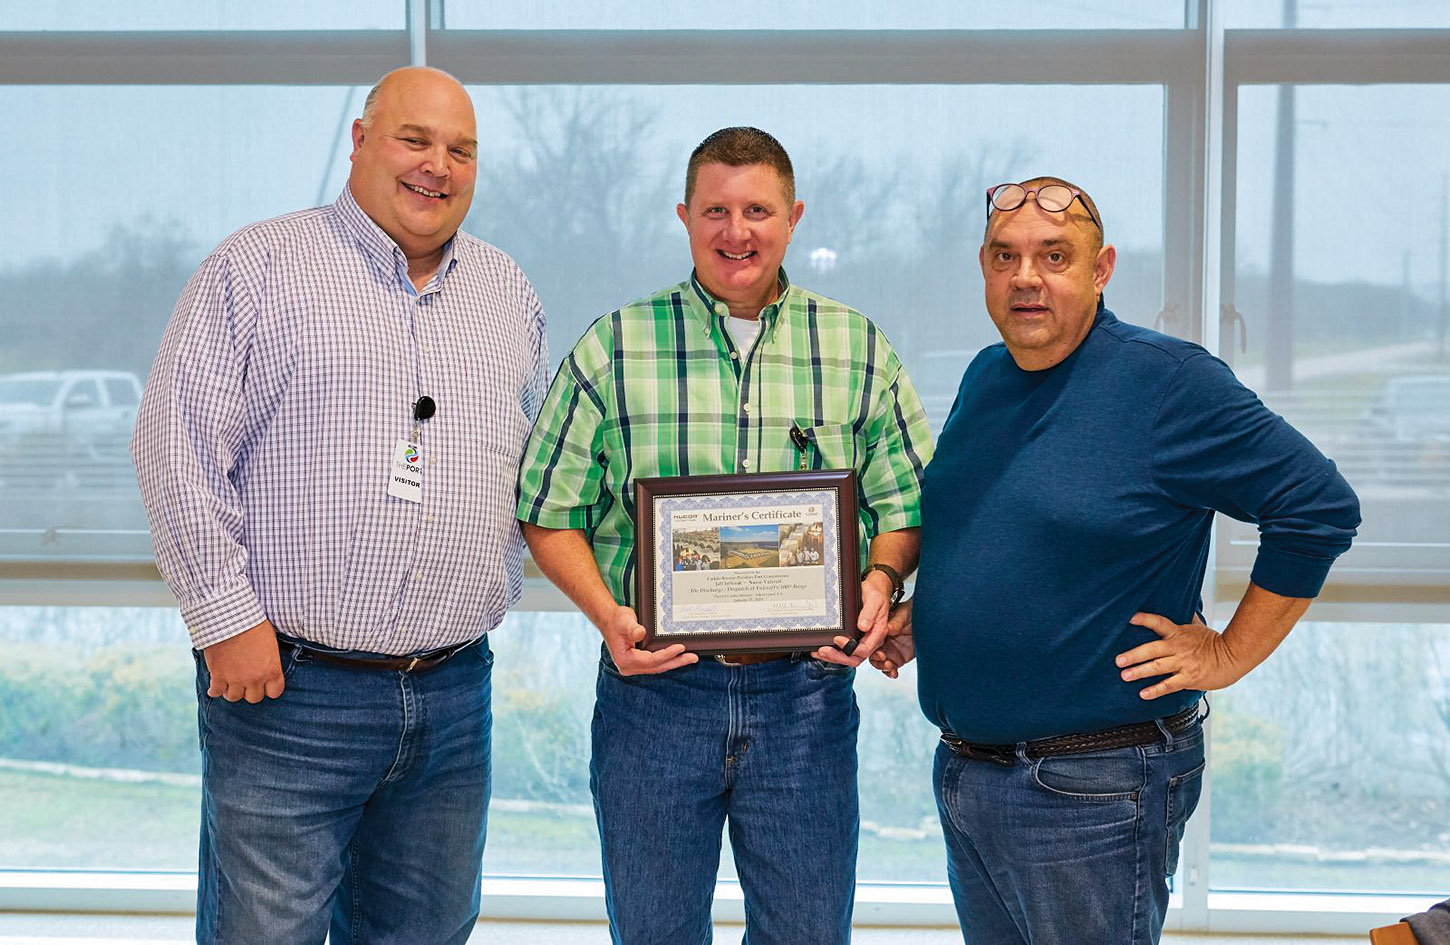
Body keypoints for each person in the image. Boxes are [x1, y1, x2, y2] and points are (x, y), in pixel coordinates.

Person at [872, 177, 1361, 945]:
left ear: (1100, 269)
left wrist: (1230, 652)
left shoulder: (1169, 383)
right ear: (984, 266)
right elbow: (994, 524)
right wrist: (928, 616)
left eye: (1053, 256)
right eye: (1007, 256)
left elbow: (1319, 508)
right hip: (970, 772)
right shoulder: (986, 376)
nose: (1026, 277)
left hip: (1091, 788)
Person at [131, 67, 548, 945]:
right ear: (360, 142)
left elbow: (539, 474)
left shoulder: (506, 292)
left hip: (451, 697)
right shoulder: (260, 266)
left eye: (461, 149)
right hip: (290, 692)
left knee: (428, 932)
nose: (438, 165)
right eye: (416, 140)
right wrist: (223, 619)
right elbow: (175, 446)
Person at [516, 126, 931, 945]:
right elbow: (546, 507)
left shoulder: (858, 348)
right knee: (654, 932)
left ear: (793, 216)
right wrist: (610, 617)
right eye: (715, 210)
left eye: (757, 210)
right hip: (654, 693)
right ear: (684, 216)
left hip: (805, 697)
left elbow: (906, 504)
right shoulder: (615, 347)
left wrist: (879, 584)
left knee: (809, 933)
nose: (735, 231)